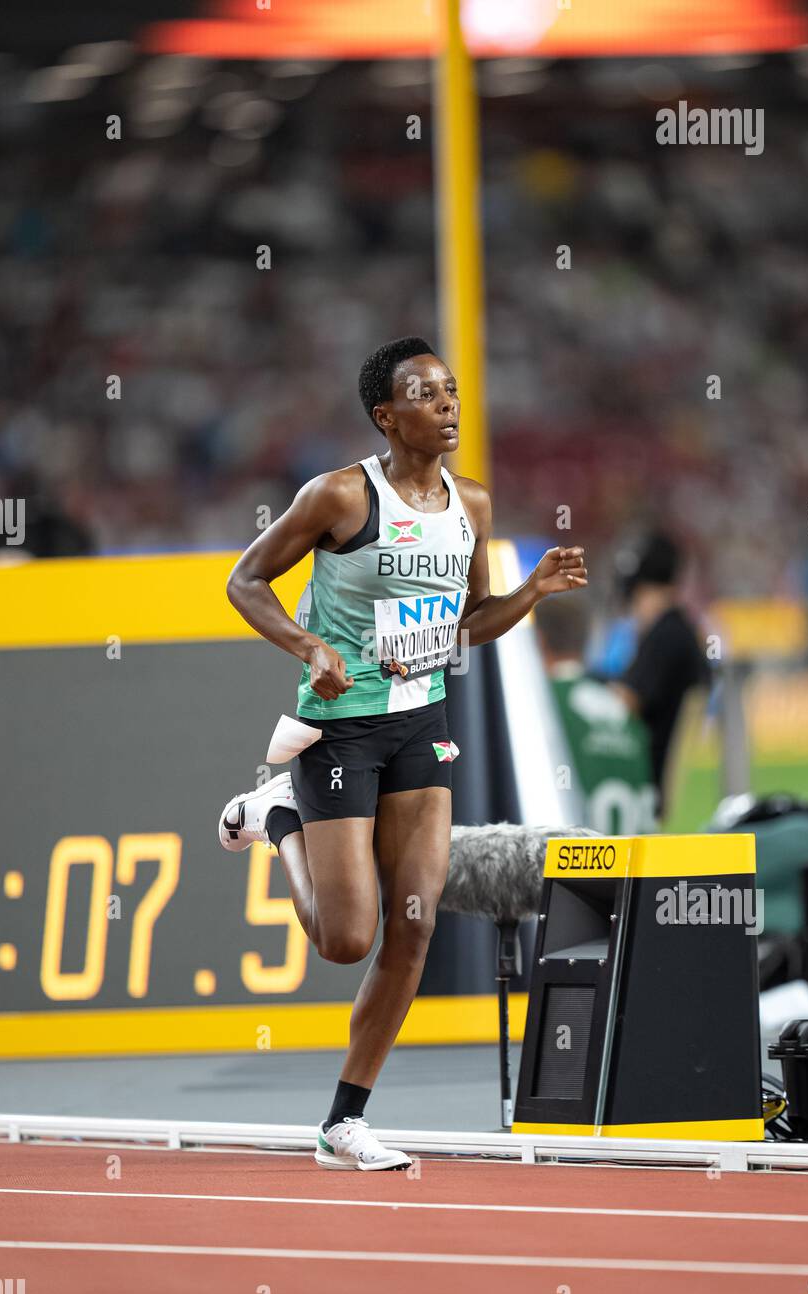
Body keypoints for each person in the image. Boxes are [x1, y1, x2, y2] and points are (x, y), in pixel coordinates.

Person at [216, 336, 587, 1170]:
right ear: (387, 416)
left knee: (412, 931)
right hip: (342, 729)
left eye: (451, 392)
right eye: (426, 395)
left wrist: (531, 592)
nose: (447, 406)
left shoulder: (475, 507)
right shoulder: (340, 497)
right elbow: (244, 580)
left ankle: (343, 1120)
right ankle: (280, 820)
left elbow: (467, 626)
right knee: (347, 939)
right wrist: (309, 646)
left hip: (422, 725)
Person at [534, 593, 658, 834]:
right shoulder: (625, 710)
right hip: (631, 865)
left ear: (538, 640)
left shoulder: (540, 706)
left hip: (565, 865)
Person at [611, 532, 709, 816]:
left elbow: (627, 701)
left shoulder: (666, 635)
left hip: (647, 787)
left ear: (642, 591)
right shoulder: (682, 630)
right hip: (659, 782)